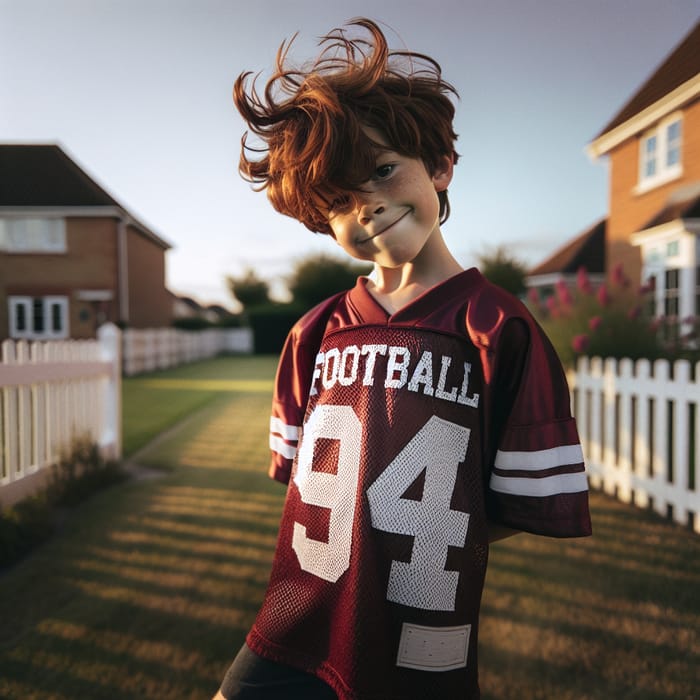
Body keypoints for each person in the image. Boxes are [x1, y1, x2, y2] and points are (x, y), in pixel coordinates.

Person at [214, 17, 591, 700]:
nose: (371, 208)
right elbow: (310, 488)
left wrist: (416, 532)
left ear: (440, 165)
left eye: (384, 171)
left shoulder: (497, 327)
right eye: (341, 203)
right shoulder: (314, 332)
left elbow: (526, 501)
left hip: (421, 639)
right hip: (295, 617)